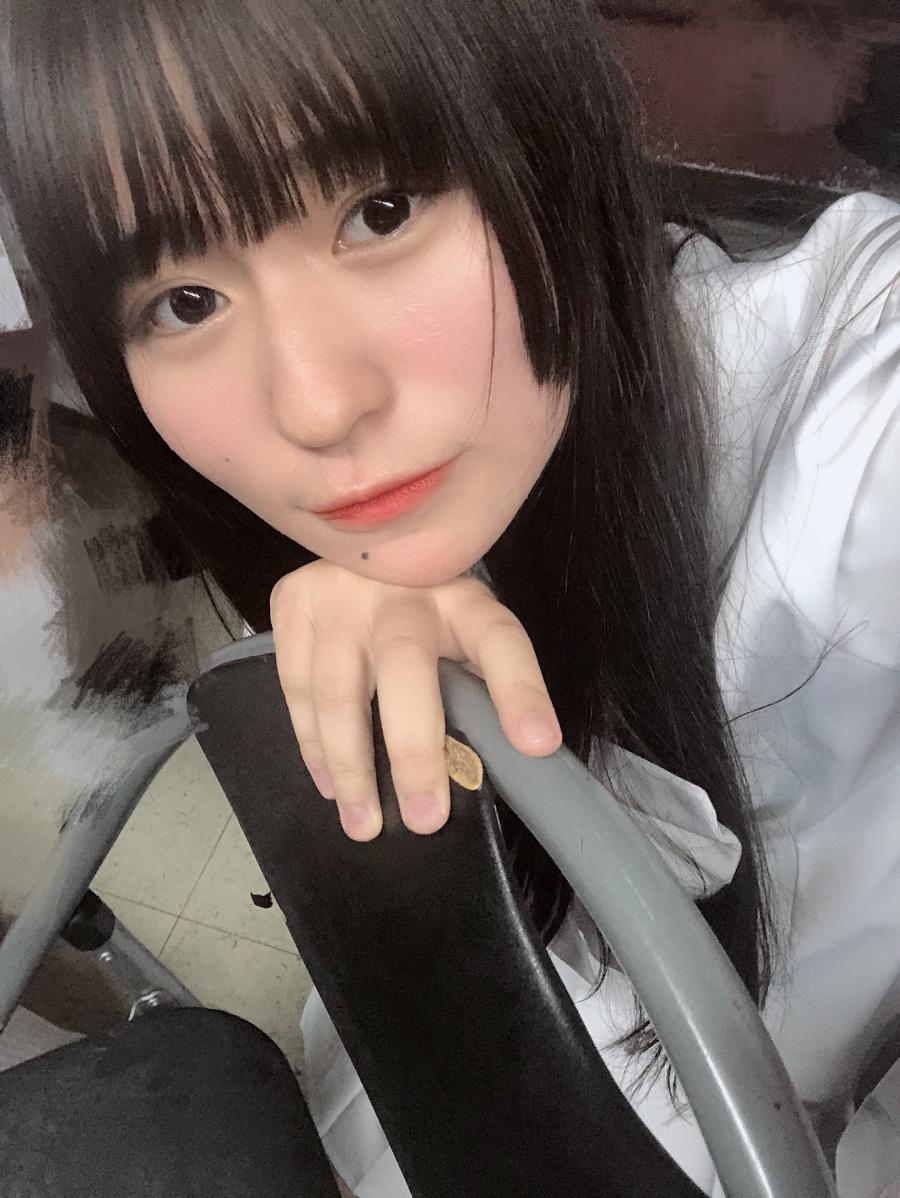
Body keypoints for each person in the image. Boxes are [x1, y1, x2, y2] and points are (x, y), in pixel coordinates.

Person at [0, 2, 897, 1194]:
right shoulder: (429, 497)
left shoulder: (846, 413)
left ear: (546, 132)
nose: (317, 405)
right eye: (186, 302)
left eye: (379, 212)